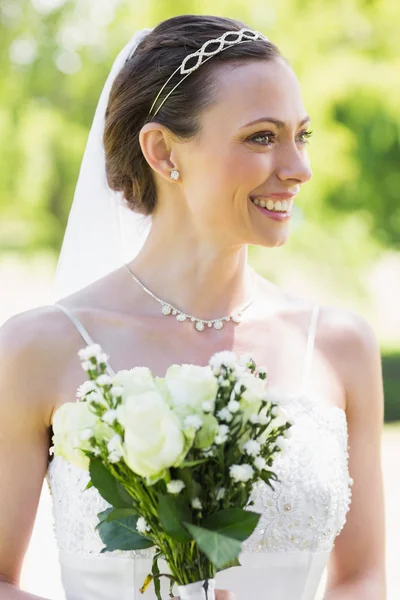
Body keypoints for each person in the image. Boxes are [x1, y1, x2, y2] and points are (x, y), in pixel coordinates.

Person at [0, 13, 386, 600]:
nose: (299, 169)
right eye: (262, 136)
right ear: (162, 151)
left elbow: (363, 577)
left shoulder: (339, 347)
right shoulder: (39, 349)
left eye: (300, 135)